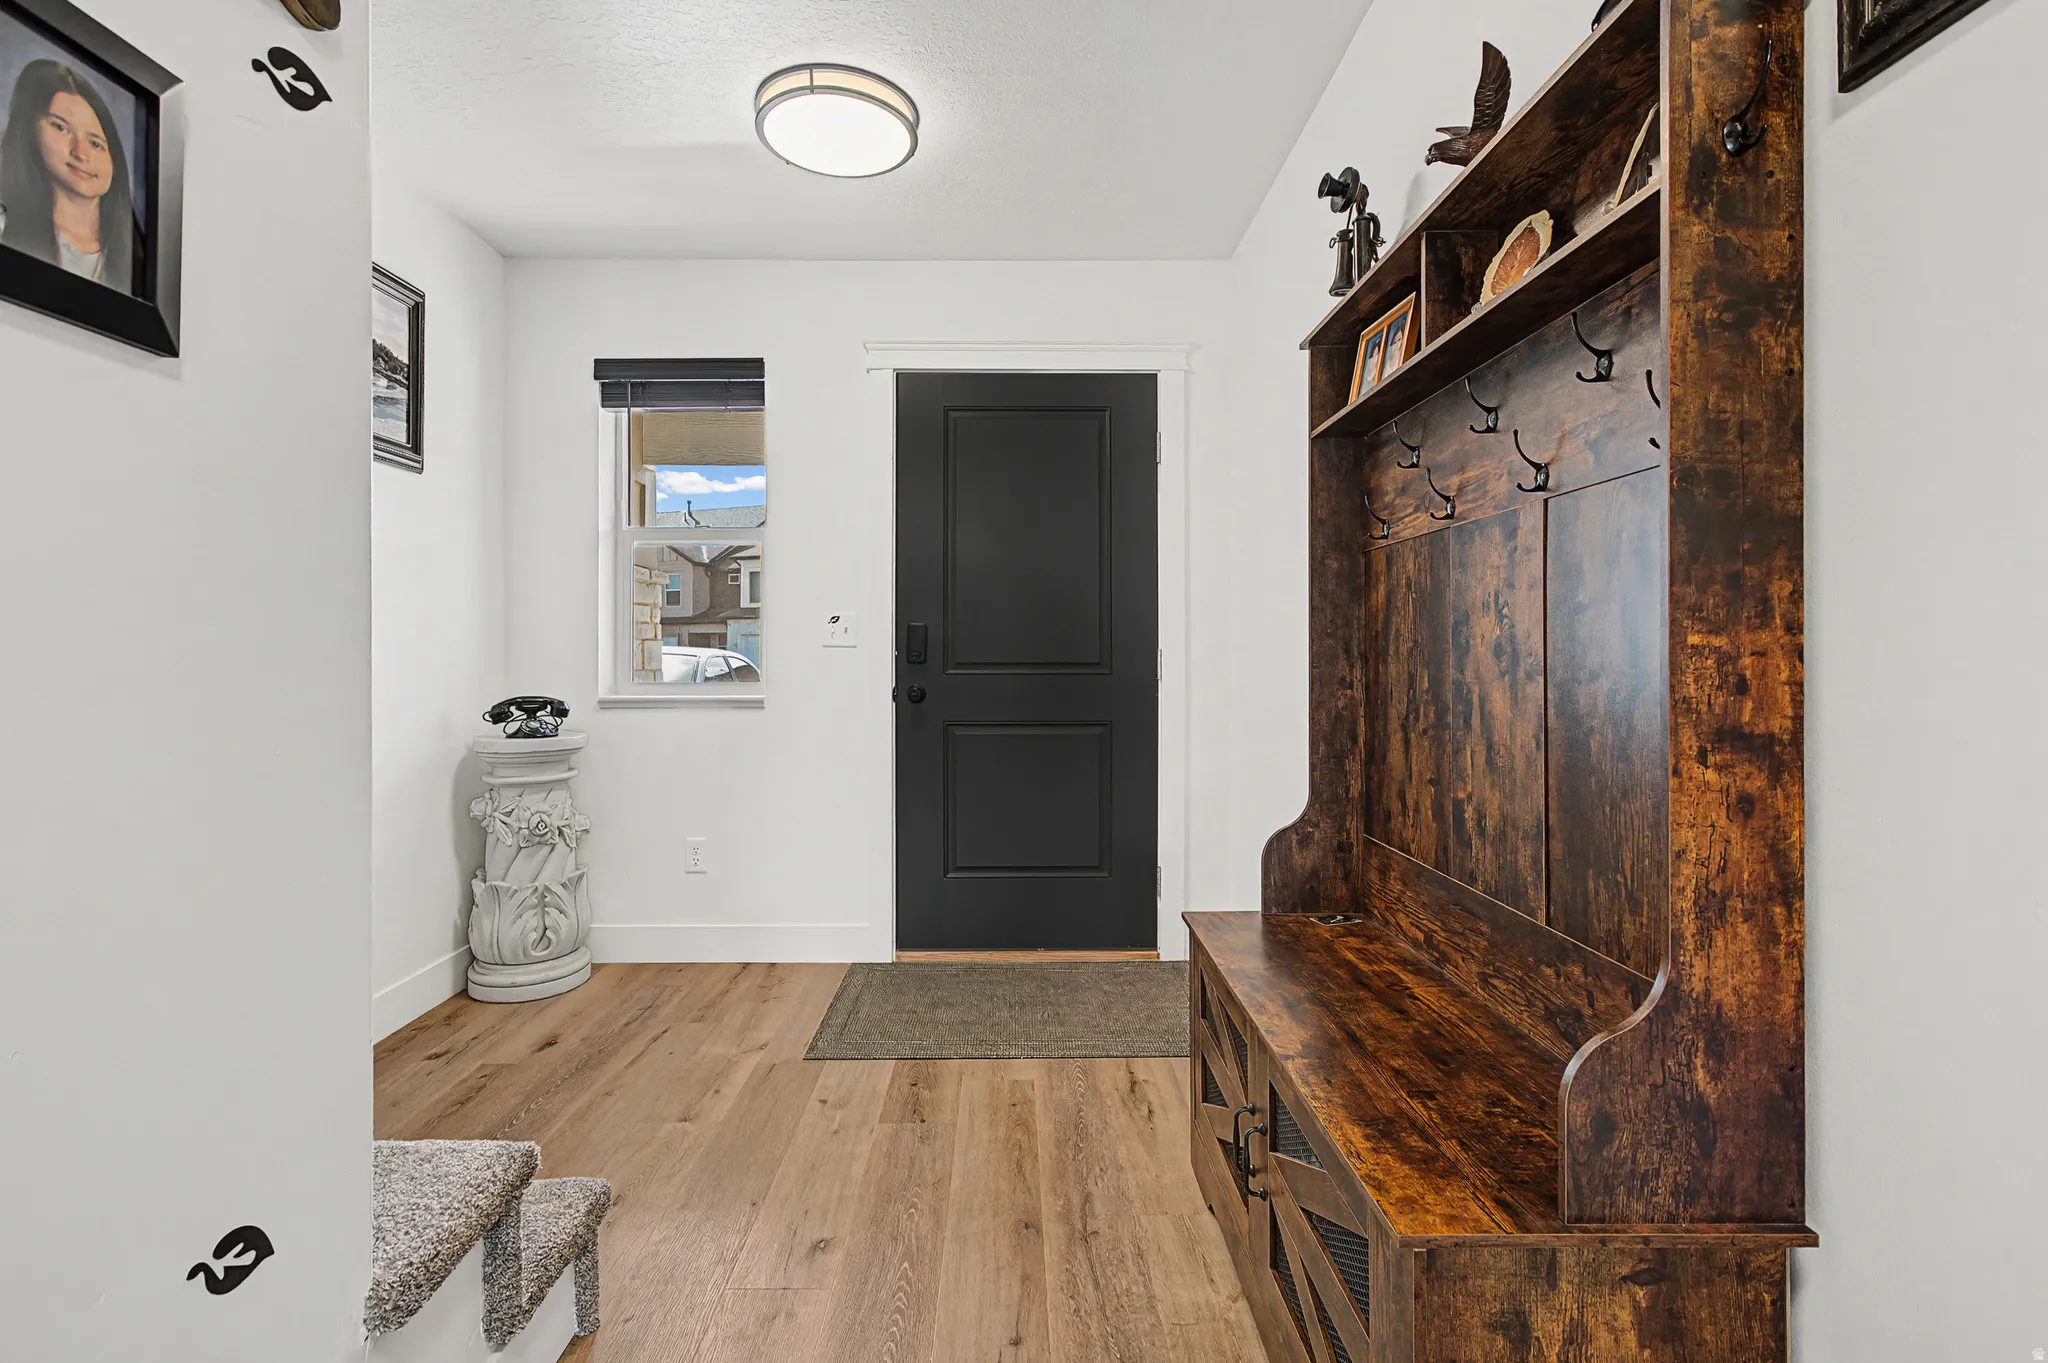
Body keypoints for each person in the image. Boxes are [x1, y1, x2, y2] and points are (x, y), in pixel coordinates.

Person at [0, 58, 140, 292]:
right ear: (29, 131)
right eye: (61, 128)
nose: (81, 153)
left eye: (96, 144)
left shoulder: (138, 271)